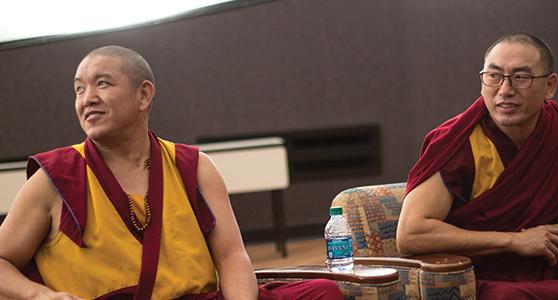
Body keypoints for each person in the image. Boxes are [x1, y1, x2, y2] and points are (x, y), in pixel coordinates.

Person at [0, 46, 343, 299]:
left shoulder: (193, 166)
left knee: (321, 293)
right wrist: (39, 295)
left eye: (102, 84)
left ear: (143, 95)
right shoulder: (54, 179)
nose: (87, 98)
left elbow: (231, 255)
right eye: (78, 89)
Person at [396, 33, 558, 299]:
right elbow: (411, 234)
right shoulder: (459, 142)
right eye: (494, 76)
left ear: (550, 86)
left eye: (521, 77)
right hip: (488, 271)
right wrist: (516, 241)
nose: (505, 89)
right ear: (482, 82)